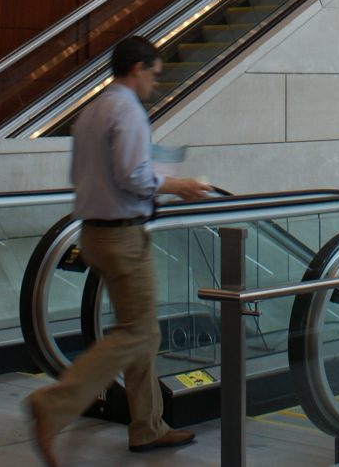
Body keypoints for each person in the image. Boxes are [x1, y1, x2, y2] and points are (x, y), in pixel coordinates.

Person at [27, 37, 213, 464]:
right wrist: (177, 184)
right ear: (138, 69)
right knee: (139, 333)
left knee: (139, 331)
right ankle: (53, 403)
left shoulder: (91, 111)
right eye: (154, 74)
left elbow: (81, 173)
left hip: (93, 232)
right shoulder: (127, 110)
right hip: (124, 236)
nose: (154, 83)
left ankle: (148, 426)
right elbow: (134, 175)